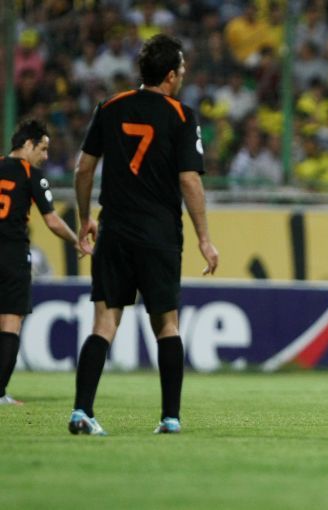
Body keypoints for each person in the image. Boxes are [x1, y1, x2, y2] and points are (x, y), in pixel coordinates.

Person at [70, 34, 219, 435]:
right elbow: (189, 180)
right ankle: (170, 418)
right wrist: (204, 238)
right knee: (167, 325)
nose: (183, 75)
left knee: (104, 324)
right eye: (182, 69)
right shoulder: (182, 115)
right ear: (170, 75)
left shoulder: (110, 106)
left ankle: (82, 411)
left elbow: (83, 169)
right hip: (159, 233)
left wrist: (85, 218)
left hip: (115, 229)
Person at [0, 120, 81, 405]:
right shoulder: (30, 174)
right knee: (10, 322)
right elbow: (52, 220)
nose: (45, 156)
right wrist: (76, 240)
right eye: (42, 149)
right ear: (27, 144)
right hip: (12, 255)